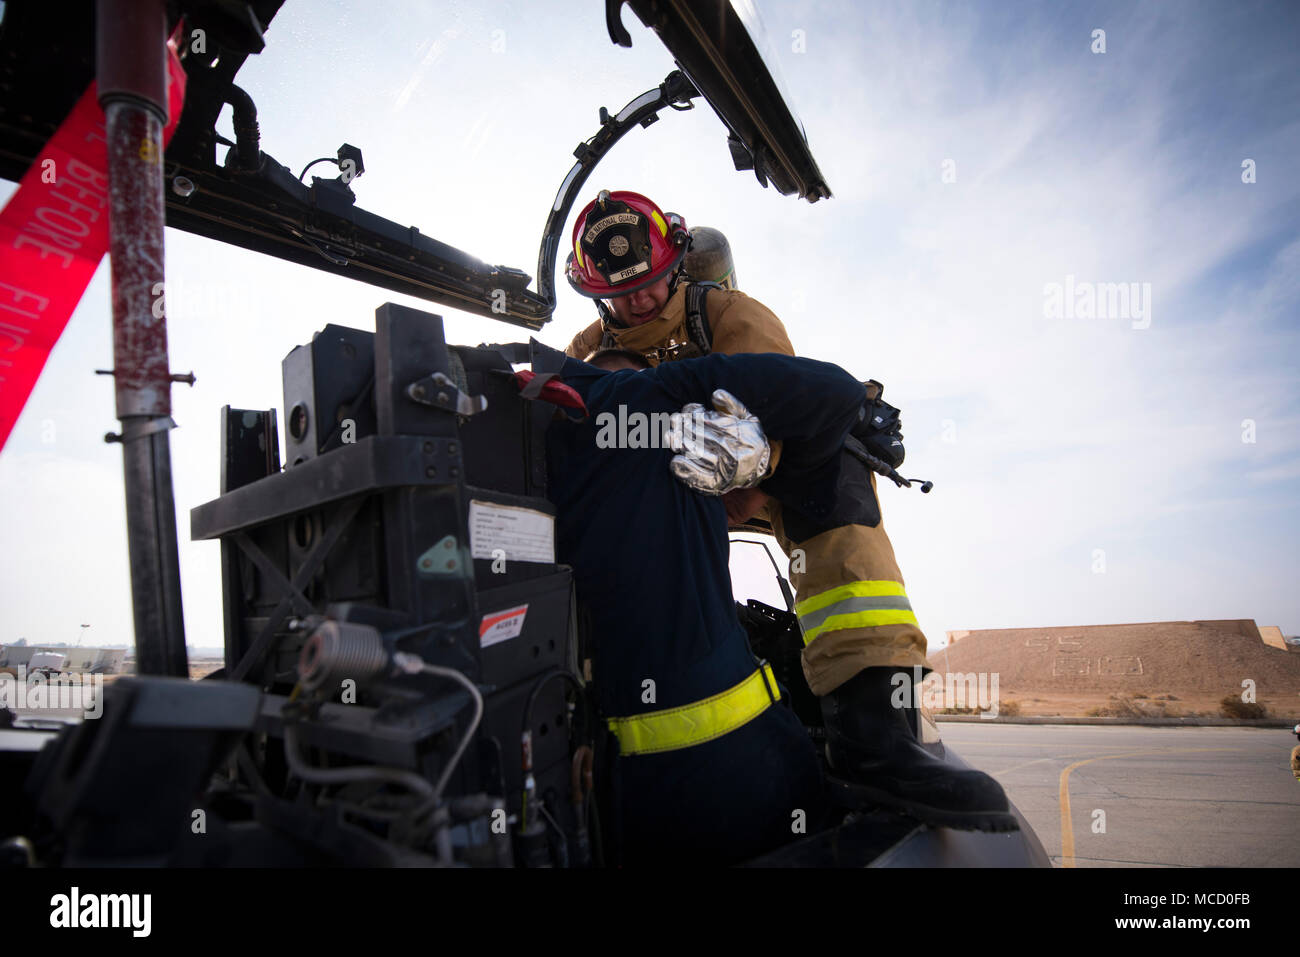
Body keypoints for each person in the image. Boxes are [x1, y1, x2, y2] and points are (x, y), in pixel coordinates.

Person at [560, 189, 1010, 830]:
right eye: (621, 292)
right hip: (655, 501)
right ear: (597, 292)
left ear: (676, 265)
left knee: (839, 481)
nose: (639, 300)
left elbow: (785, 407)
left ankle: (877, 731)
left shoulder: (729, 314)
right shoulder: (585, 349)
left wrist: (733, 498)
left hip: (760, 479)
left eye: (653, 281)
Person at [545, 345, 872, 864]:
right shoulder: (658, 400)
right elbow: (837, 393)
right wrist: (768, 466)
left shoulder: (540, 447)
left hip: (612, 795)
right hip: (740, 771)